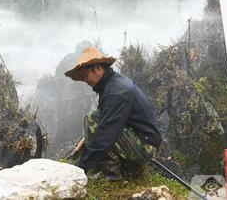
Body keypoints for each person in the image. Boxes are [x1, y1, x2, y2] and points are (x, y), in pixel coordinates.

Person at [65, 46, 161, 180]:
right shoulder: (111, 85)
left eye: (85, 75)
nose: (85, 81)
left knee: (93, 119)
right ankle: (121, 168)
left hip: (144, 147)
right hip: (136, 140)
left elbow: (106, 133)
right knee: (95, 120)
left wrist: (82, 165)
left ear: (97, 68)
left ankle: (112, 174)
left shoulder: (116, 92)